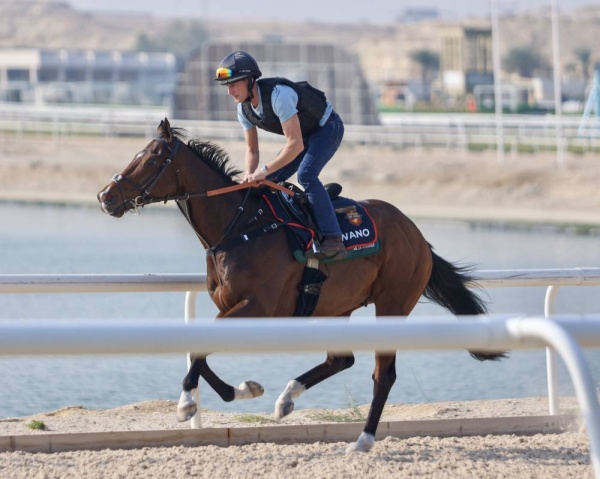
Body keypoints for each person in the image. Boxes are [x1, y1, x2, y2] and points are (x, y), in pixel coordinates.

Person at [215, 51, 347, 260]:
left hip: (327, 128)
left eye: (234, 84)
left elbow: (295, 145)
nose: (229, 91)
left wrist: (263, 171)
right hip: (303, 136)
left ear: (250, 80)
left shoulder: (279, 96)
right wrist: (250, 176)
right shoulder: (243, 109)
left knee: (306, 175)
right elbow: (252, 150)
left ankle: (333, 237)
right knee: (264, 183)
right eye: (227, 86)